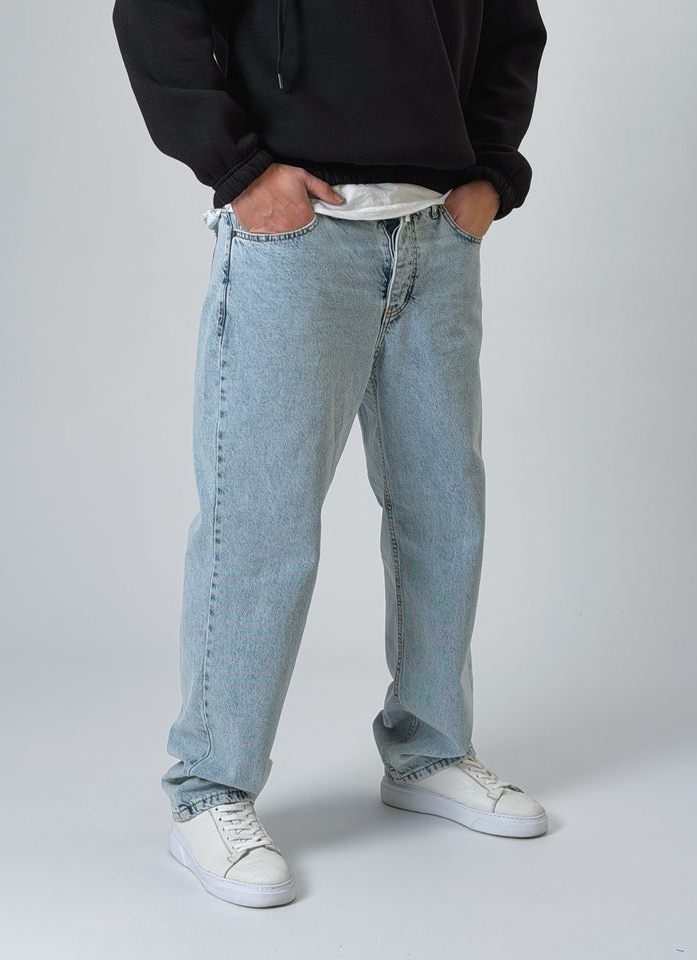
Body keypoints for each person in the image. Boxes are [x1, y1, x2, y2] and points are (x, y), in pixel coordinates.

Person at [113, 0, 548, 909]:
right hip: (299, 232)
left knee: (443, 509)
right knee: (261, 520)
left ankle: (430, 749)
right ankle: (209, 789)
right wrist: (239, 170)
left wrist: (492, 175)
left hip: (437, 231)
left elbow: (513, 26)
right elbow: (156, 13)